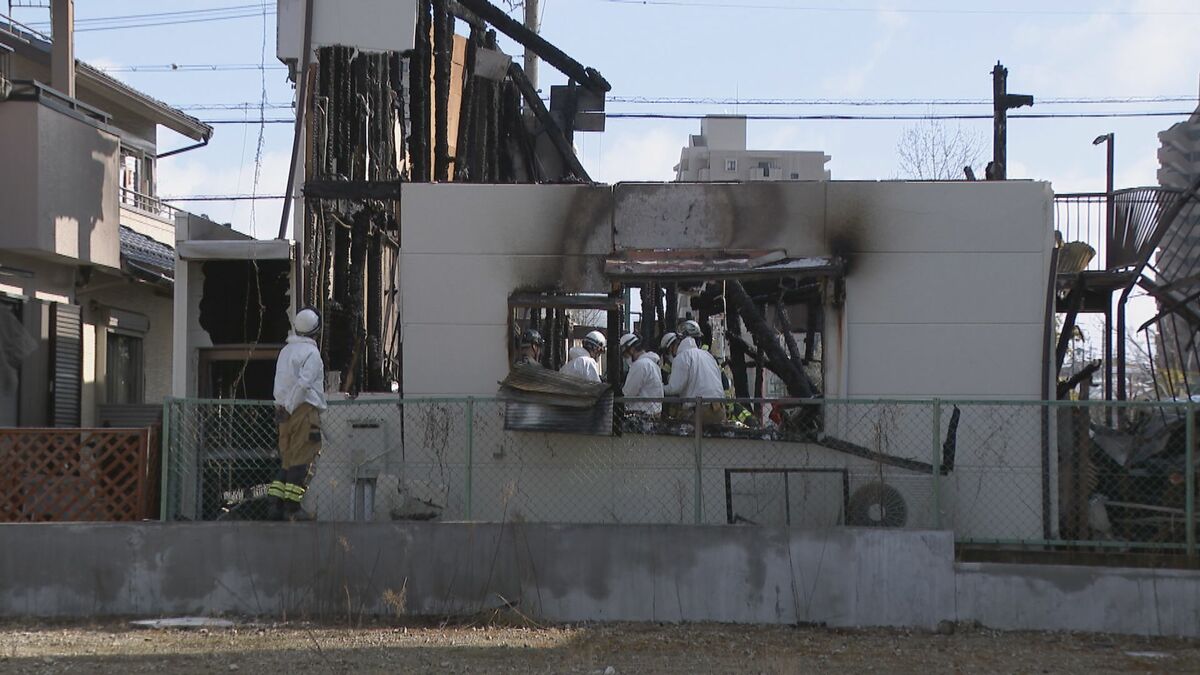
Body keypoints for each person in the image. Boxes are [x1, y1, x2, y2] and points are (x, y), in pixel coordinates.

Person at [268, 307, 327, 521]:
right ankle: (293, 508)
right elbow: (304, 384)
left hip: (282, 412)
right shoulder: (311, 354)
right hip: (302, 411)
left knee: (287, 460)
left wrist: (283, 408)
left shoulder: (286, 351)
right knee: (303, 460)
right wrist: (293, 407)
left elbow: (282, 382)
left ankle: (275, 504)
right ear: (316, 331)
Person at [663, 328, 726, 426]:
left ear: (672, 346)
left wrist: (659, 388)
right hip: (719, 409)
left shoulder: (682, 357)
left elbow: (675, 388)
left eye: (668, 352)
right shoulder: (707, 355)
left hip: (699, 411)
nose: (669, 355)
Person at [618, 333, 663, 415]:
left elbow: (629, 393)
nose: (625, 358)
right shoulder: (652, 363)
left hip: (642, 414)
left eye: (625, 354)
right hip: (654, 412)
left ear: (631, 350)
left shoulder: (639, 365)